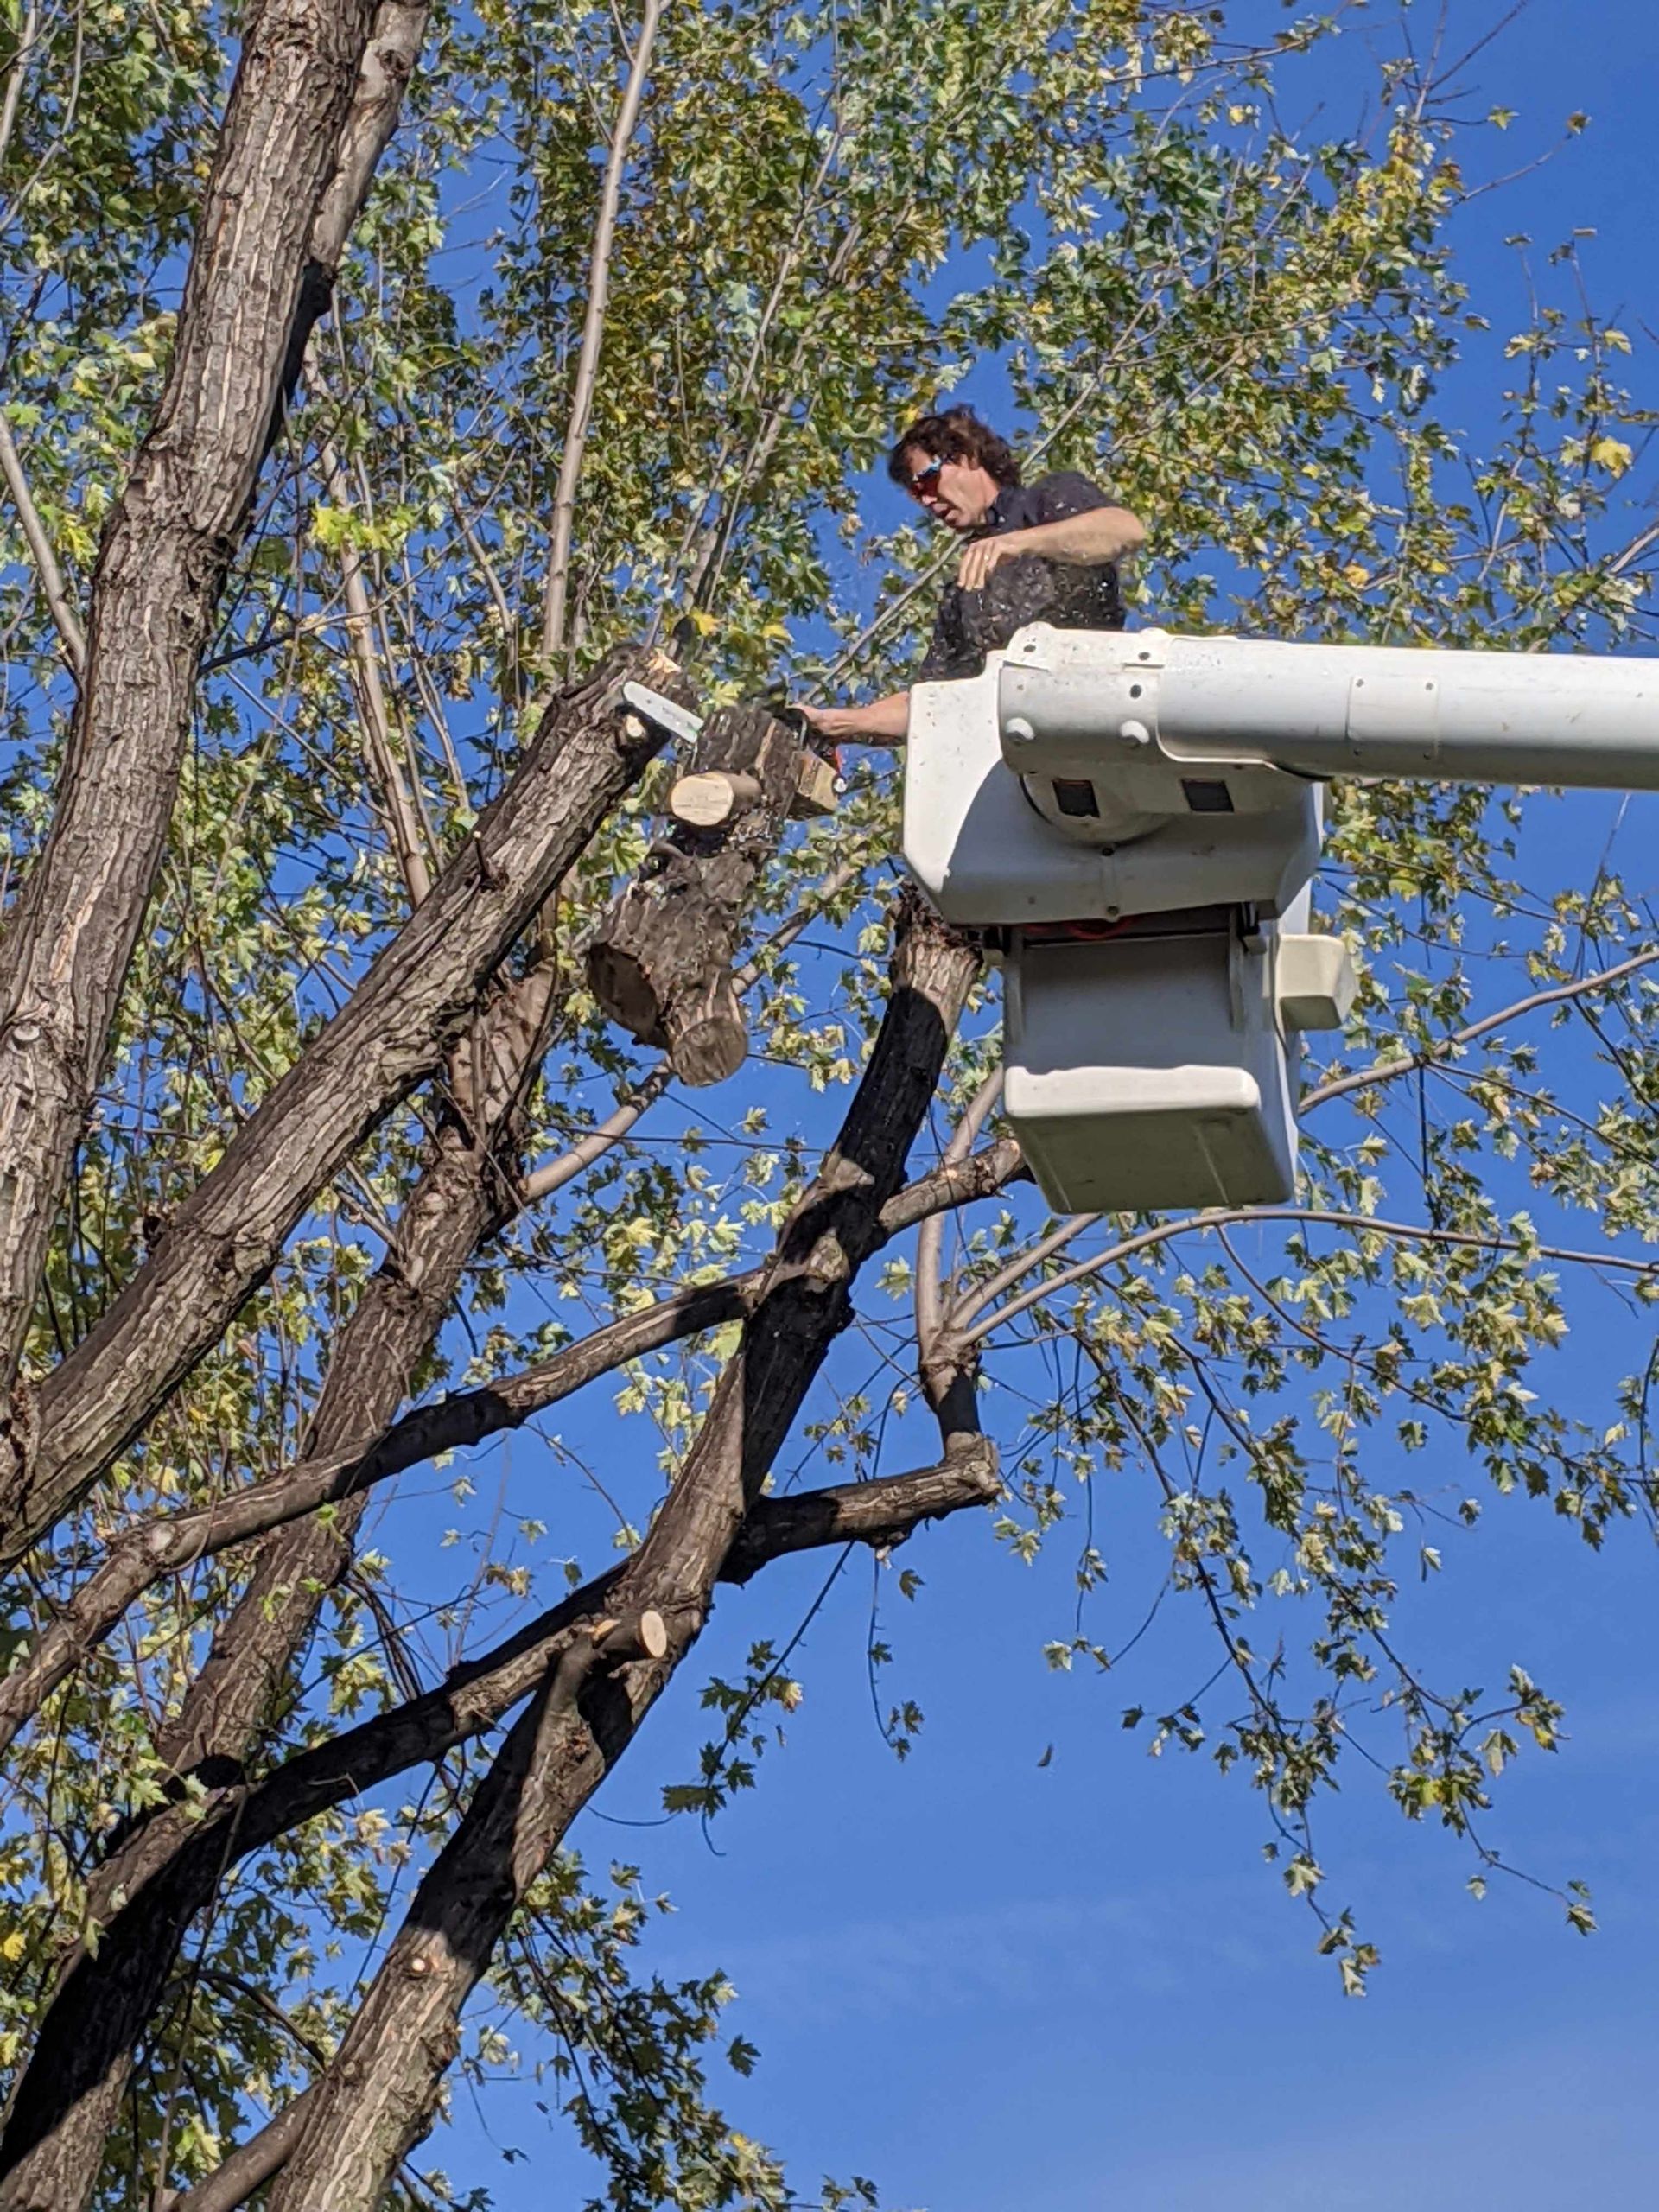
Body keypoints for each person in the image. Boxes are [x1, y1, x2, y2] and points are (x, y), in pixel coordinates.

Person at [801, 405, 1146, 747]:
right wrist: (840, 723)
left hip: (1094, 712)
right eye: (916, 494)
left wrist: (1020, 542)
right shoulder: (964, 591)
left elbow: (1124, 530)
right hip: (1022, 750)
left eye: (927, 480)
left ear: (965, 456)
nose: (927, 501)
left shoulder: (1046, 500)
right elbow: (934, 699)